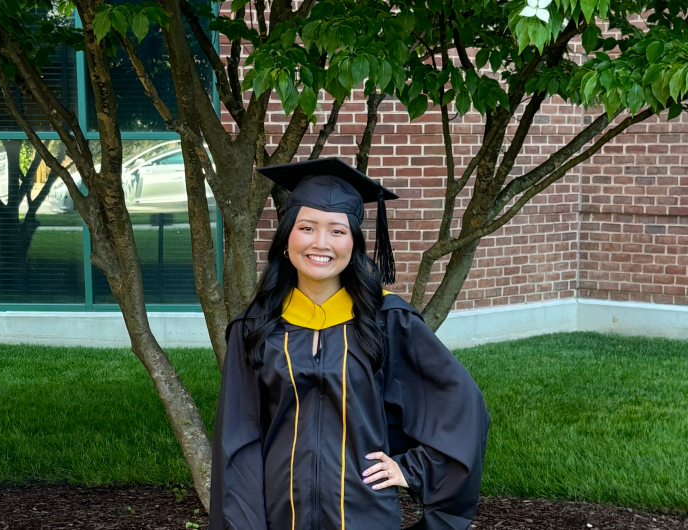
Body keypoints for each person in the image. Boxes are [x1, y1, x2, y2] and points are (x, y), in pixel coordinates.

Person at [209, 158, 490, 530]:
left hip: (364, 512)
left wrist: (412, 468)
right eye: (307, 227)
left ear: (354, 241)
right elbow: (237, 441)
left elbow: (460, 407)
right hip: (280, 512)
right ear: (287, 236)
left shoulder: (387, 321)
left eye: (337, 231)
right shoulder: (256, 326)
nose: (320, 243)